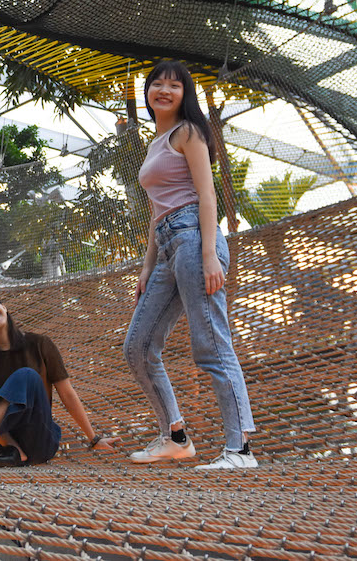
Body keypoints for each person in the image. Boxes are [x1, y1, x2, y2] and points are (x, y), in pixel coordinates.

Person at [123, 60, 257, 469]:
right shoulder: (155, 144)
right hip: (167, 246)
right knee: (138, 347)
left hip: (195, 239)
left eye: (173, 85)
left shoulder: (189, 132)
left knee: (212, 345)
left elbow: (206, 194)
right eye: (156, 84)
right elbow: (155, 212)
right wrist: (147, 266)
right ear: (147, 93)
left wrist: (209, 254)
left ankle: (240, 450)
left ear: (185, 94)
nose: (164, 90)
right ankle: (175, 436)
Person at [0, 290, 120, 467]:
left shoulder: (39, 344)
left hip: (37, 442)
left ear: (4, 307)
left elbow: (67, 393)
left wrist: (94, 438)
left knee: (26, 376)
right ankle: (5, 448)